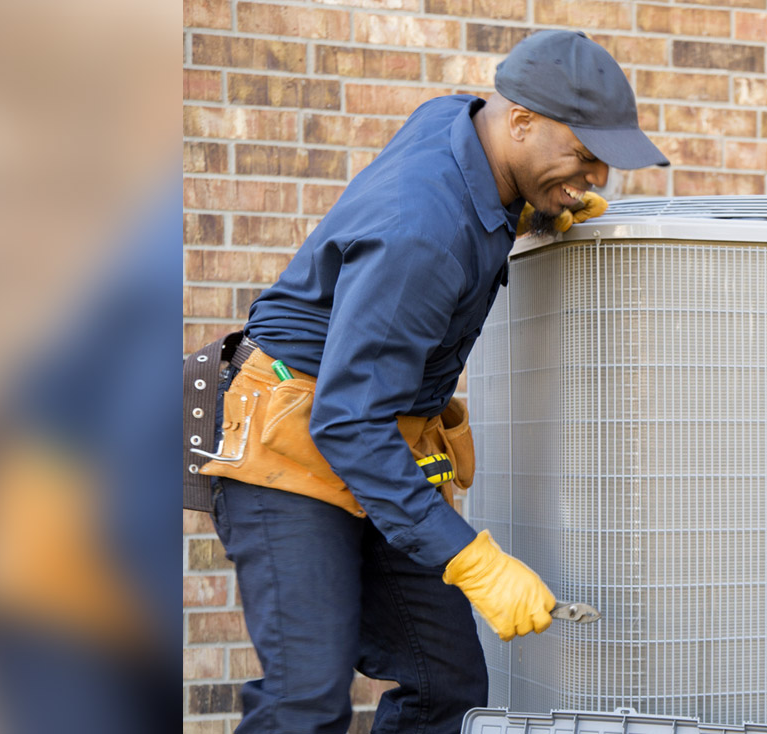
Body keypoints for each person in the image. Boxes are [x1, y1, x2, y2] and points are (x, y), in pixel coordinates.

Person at [185, 31, 668, 733]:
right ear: (521, 121)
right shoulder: (422, 230)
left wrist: (535, 207)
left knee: (446, 686)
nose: (596, 176)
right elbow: (347, 422)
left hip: (373, 438)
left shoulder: (463, 127)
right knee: (306, 699)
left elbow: (466, 190)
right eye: (585, 155)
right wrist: (473, 560)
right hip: (291, 446)